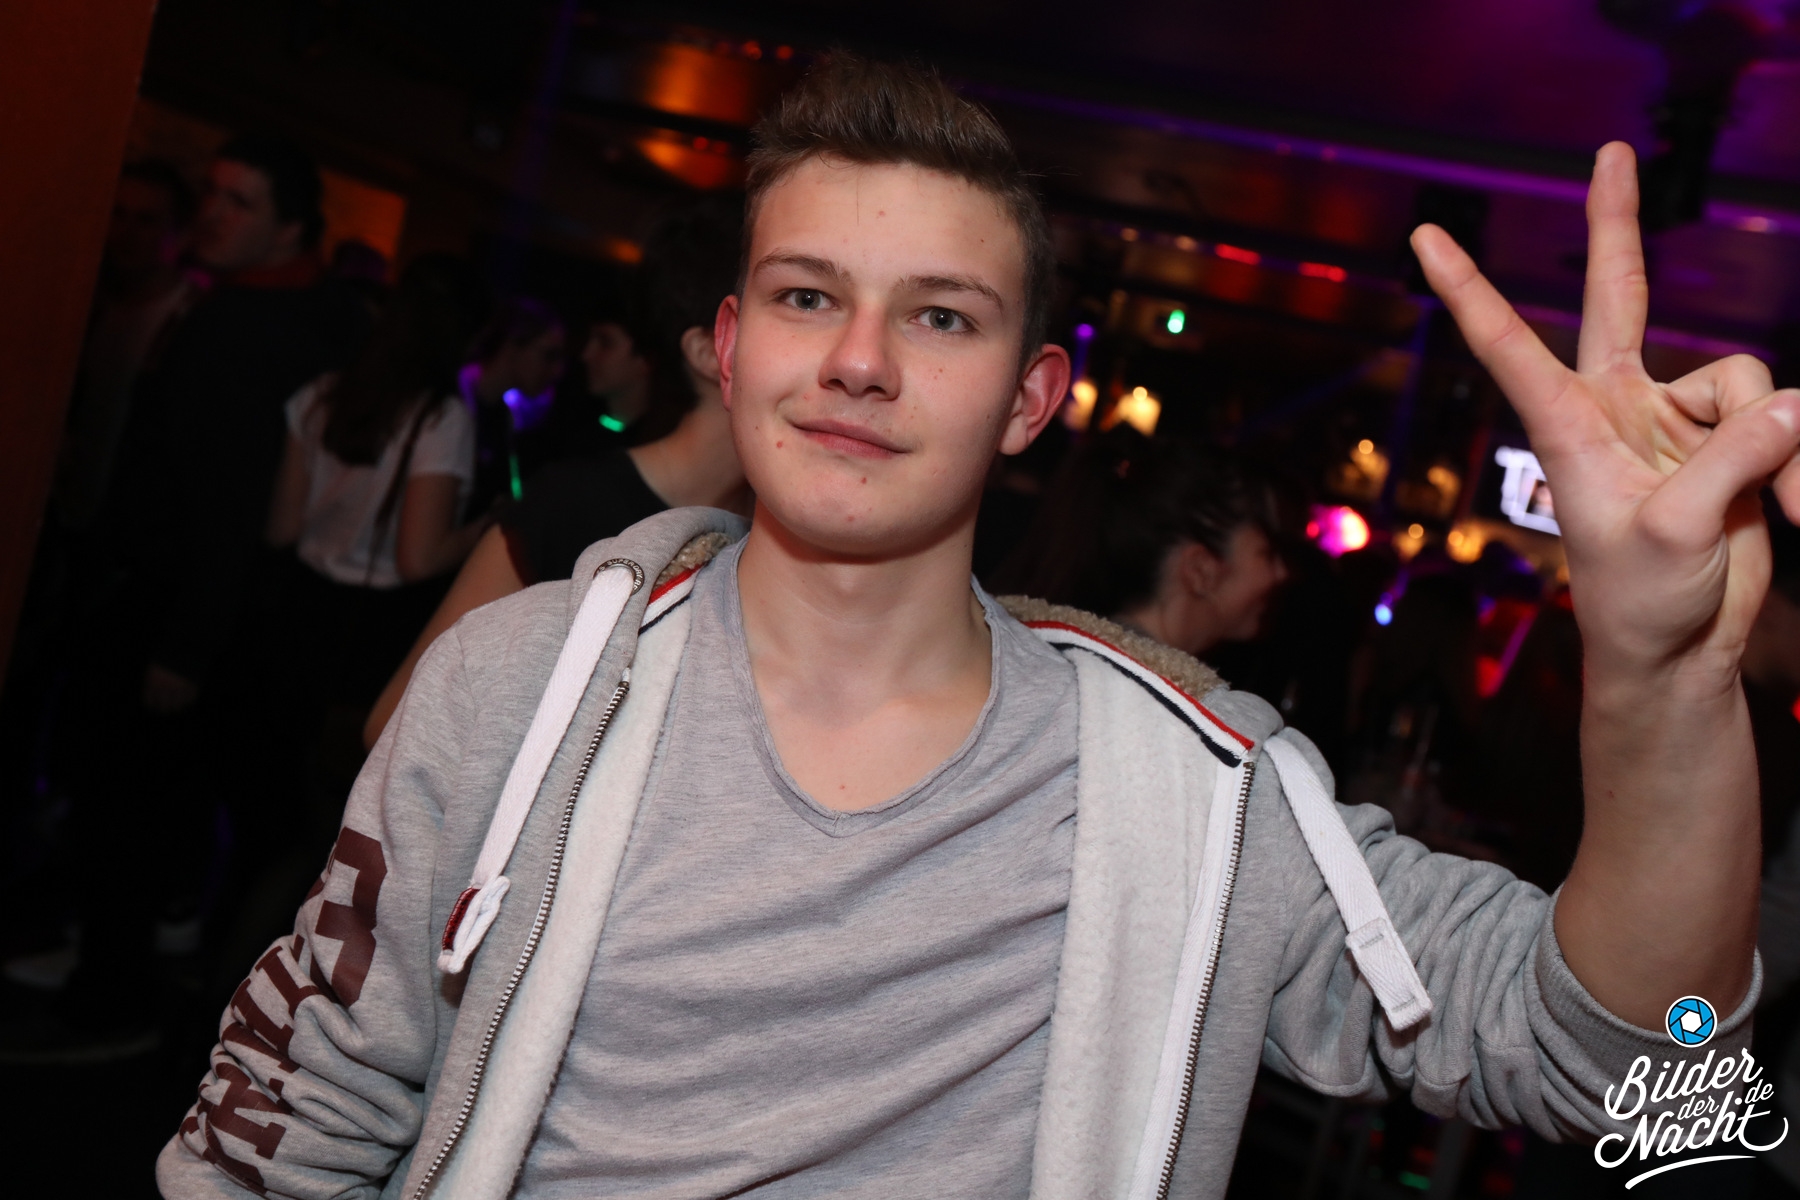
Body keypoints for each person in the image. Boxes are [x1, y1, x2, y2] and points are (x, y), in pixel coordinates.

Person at [163, 57, 1792, 1199]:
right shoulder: (518, 690)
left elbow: (1643, 1074)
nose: (860, 359)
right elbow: (287, 1129)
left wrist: (1662, 675)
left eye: (939, 316)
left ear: (1031, 399)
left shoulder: (1195, 802)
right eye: (808, 296)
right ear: (729, 347)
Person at [361, 197, 749, 748]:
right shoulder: (571, 506)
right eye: (801, 303)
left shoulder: (778, 534)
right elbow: (394, 726)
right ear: (713, 351)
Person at [991, 427, 1288, 658]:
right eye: (1267, 554)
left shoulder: (1098, 658)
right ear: (1200, 569)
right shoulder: (1139, 693)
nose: (1281, 573)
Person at [458, 297, 566, 515]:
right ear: (512, 345)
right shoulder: (453, 400)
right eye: (549, 355)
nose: (557, 371)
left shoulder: (504, 415)